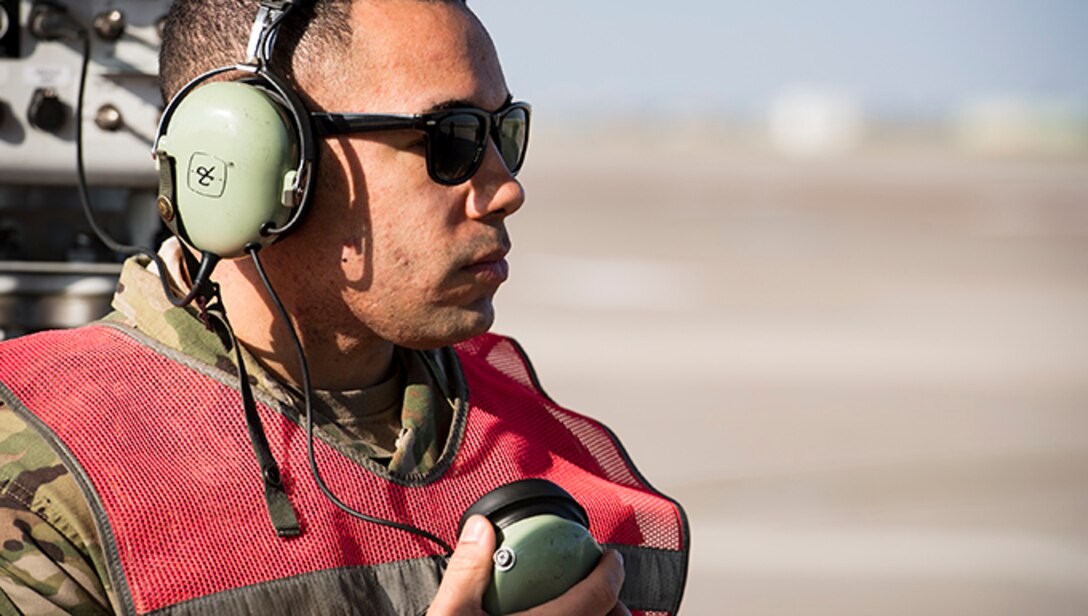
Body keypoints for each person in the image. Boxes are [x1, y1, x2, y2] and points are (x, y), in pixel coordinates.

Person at [0, 1, 688, 614]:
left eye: (503, 132)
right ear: (255, 163)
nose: (505, 189)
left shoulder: (551, 446)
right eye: (451, 139)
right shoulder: (44, 467)